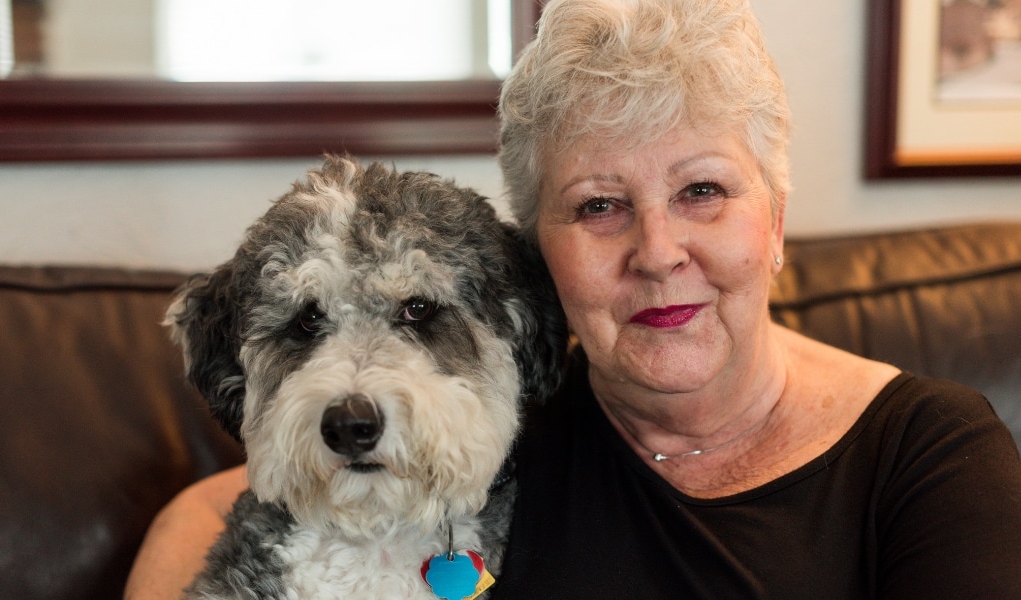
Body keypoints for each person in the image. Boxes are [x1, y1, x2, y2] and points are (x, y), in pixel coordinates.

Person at [126, 0, 1021, 598]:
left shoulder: (928, 453)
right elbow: (222, 506)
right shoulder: (507, 413)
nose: (658, 252)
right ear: (536, 261)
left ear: (776, 223)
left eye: (702, 191)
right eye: (599, 206)